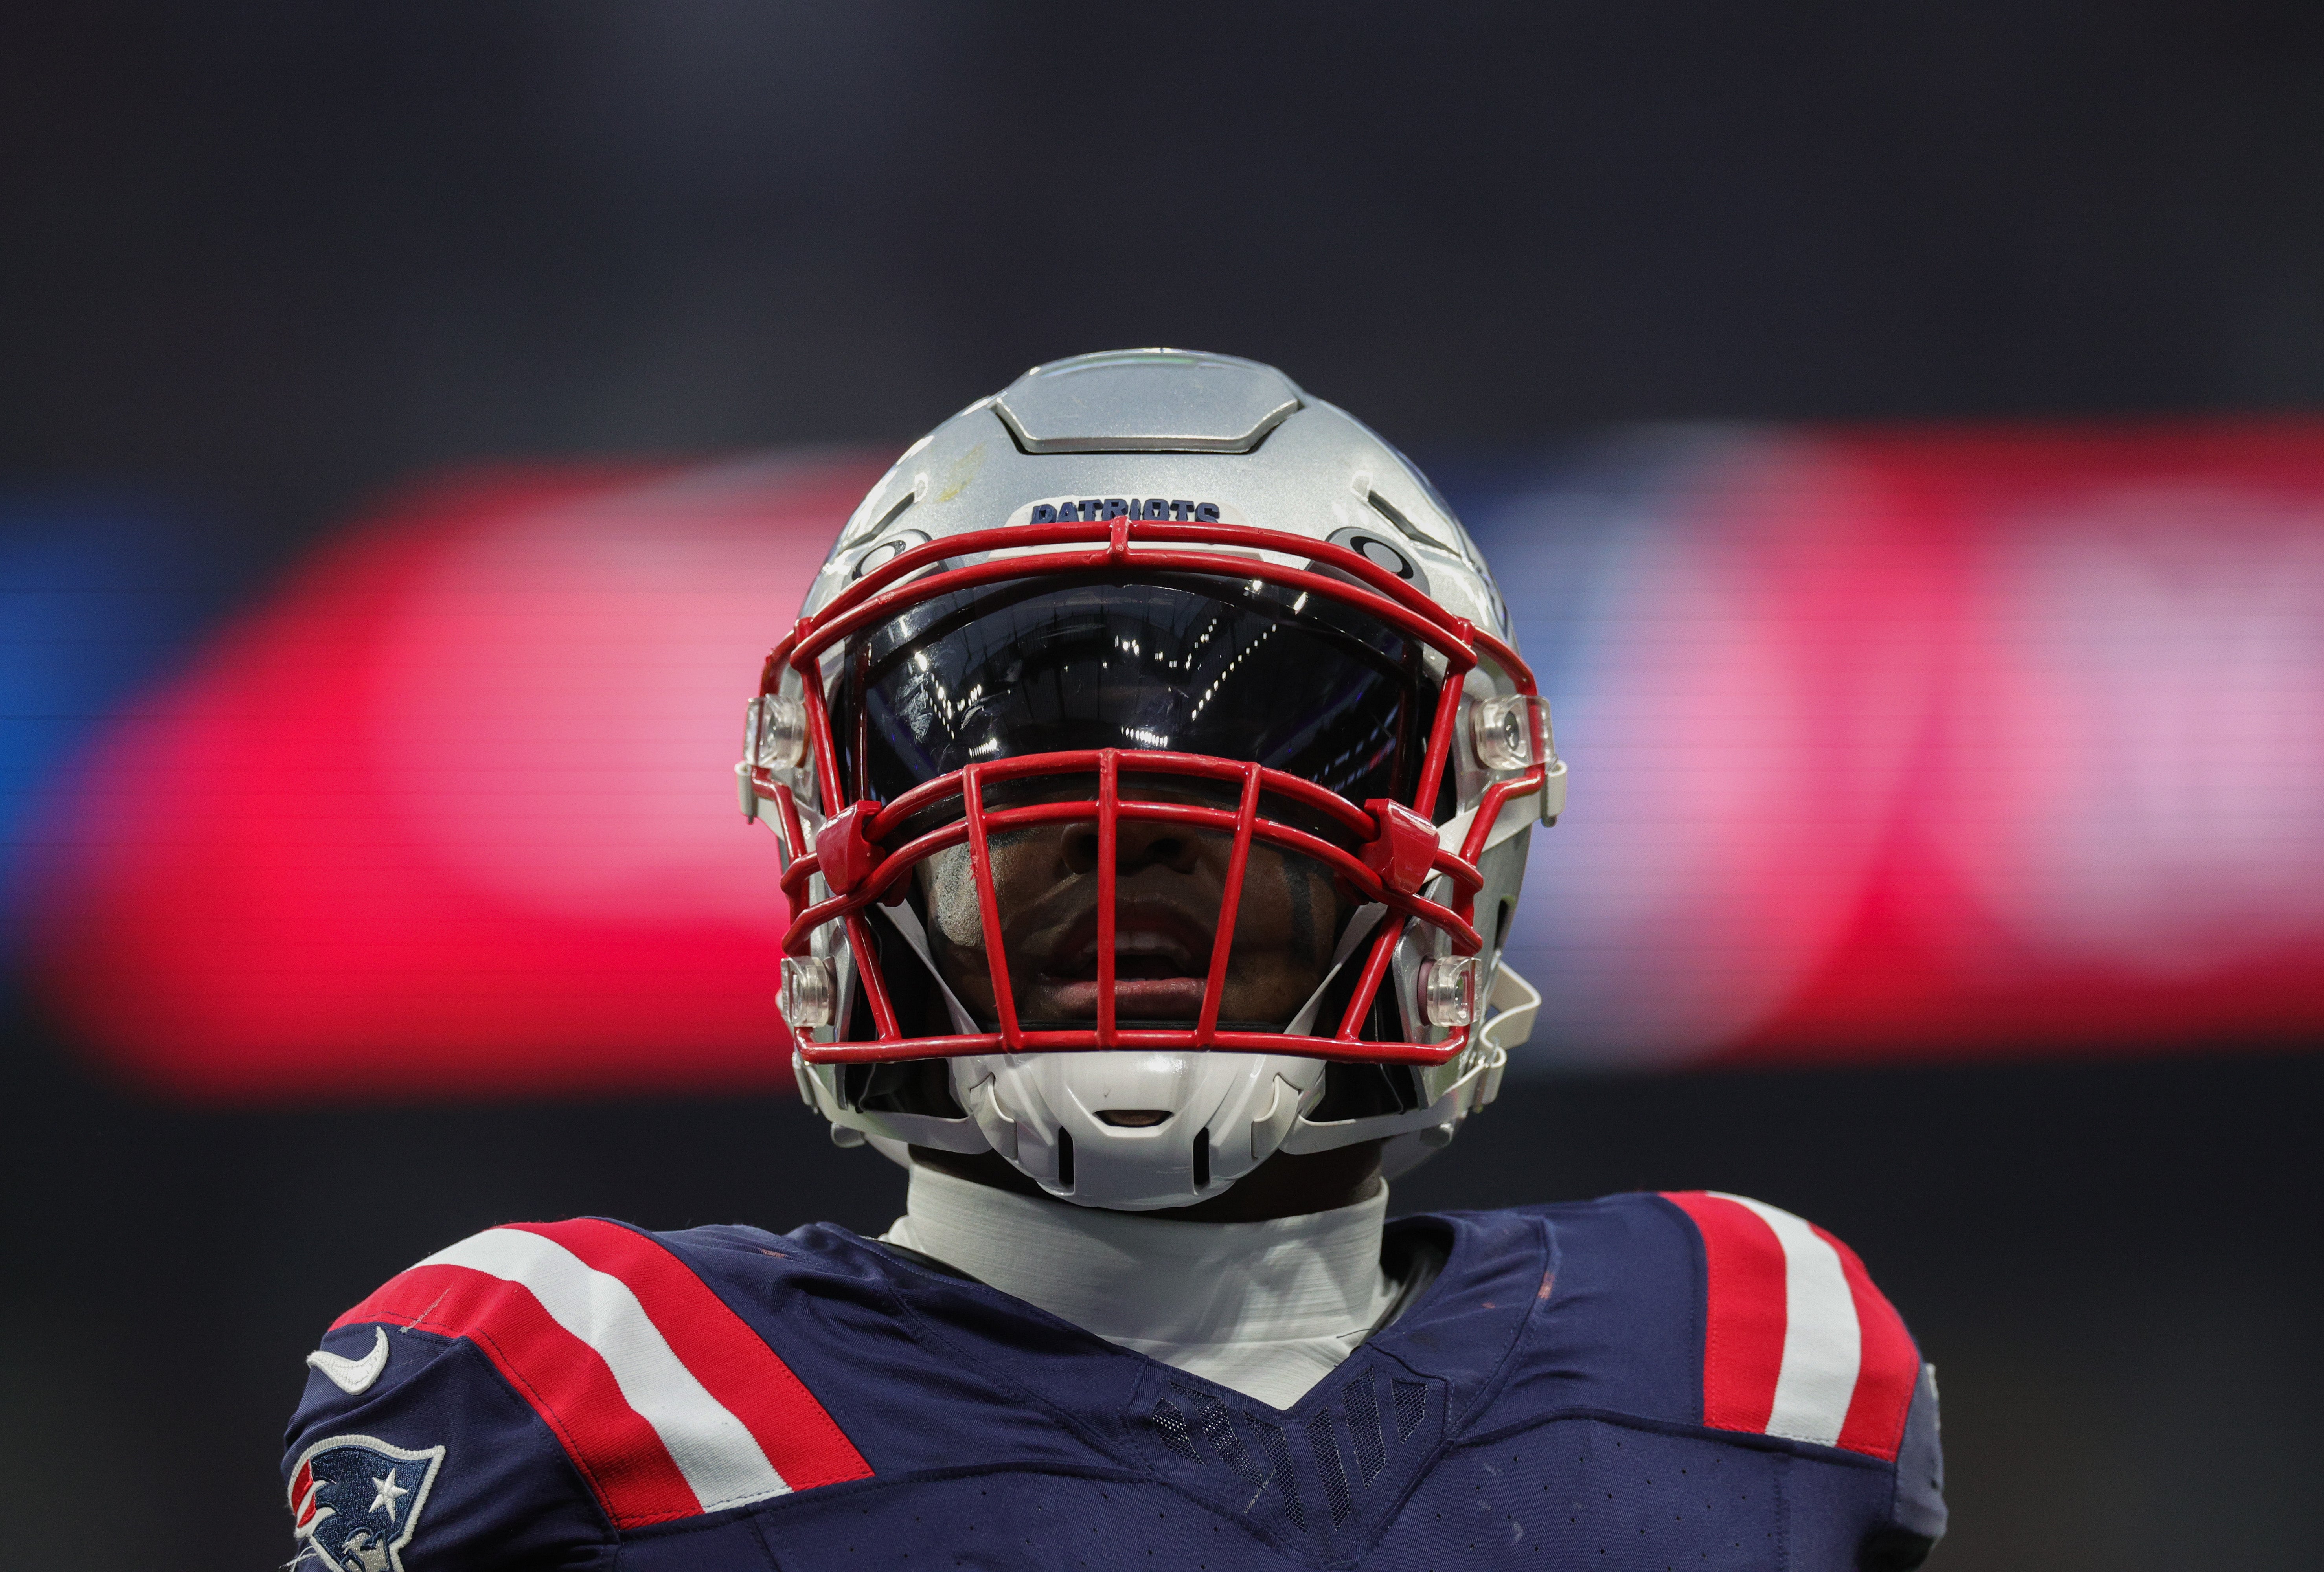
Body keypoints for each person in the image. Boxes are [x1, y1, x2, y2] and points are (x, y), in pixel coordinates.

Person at [283, 350, 1947, 1571]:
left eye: (1272, 753)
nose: (1127, 833)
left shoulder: (1748, 1355)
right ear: (848, 835)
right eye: (1005, 761)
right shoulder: (591, 1397)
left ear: (1455, 837)